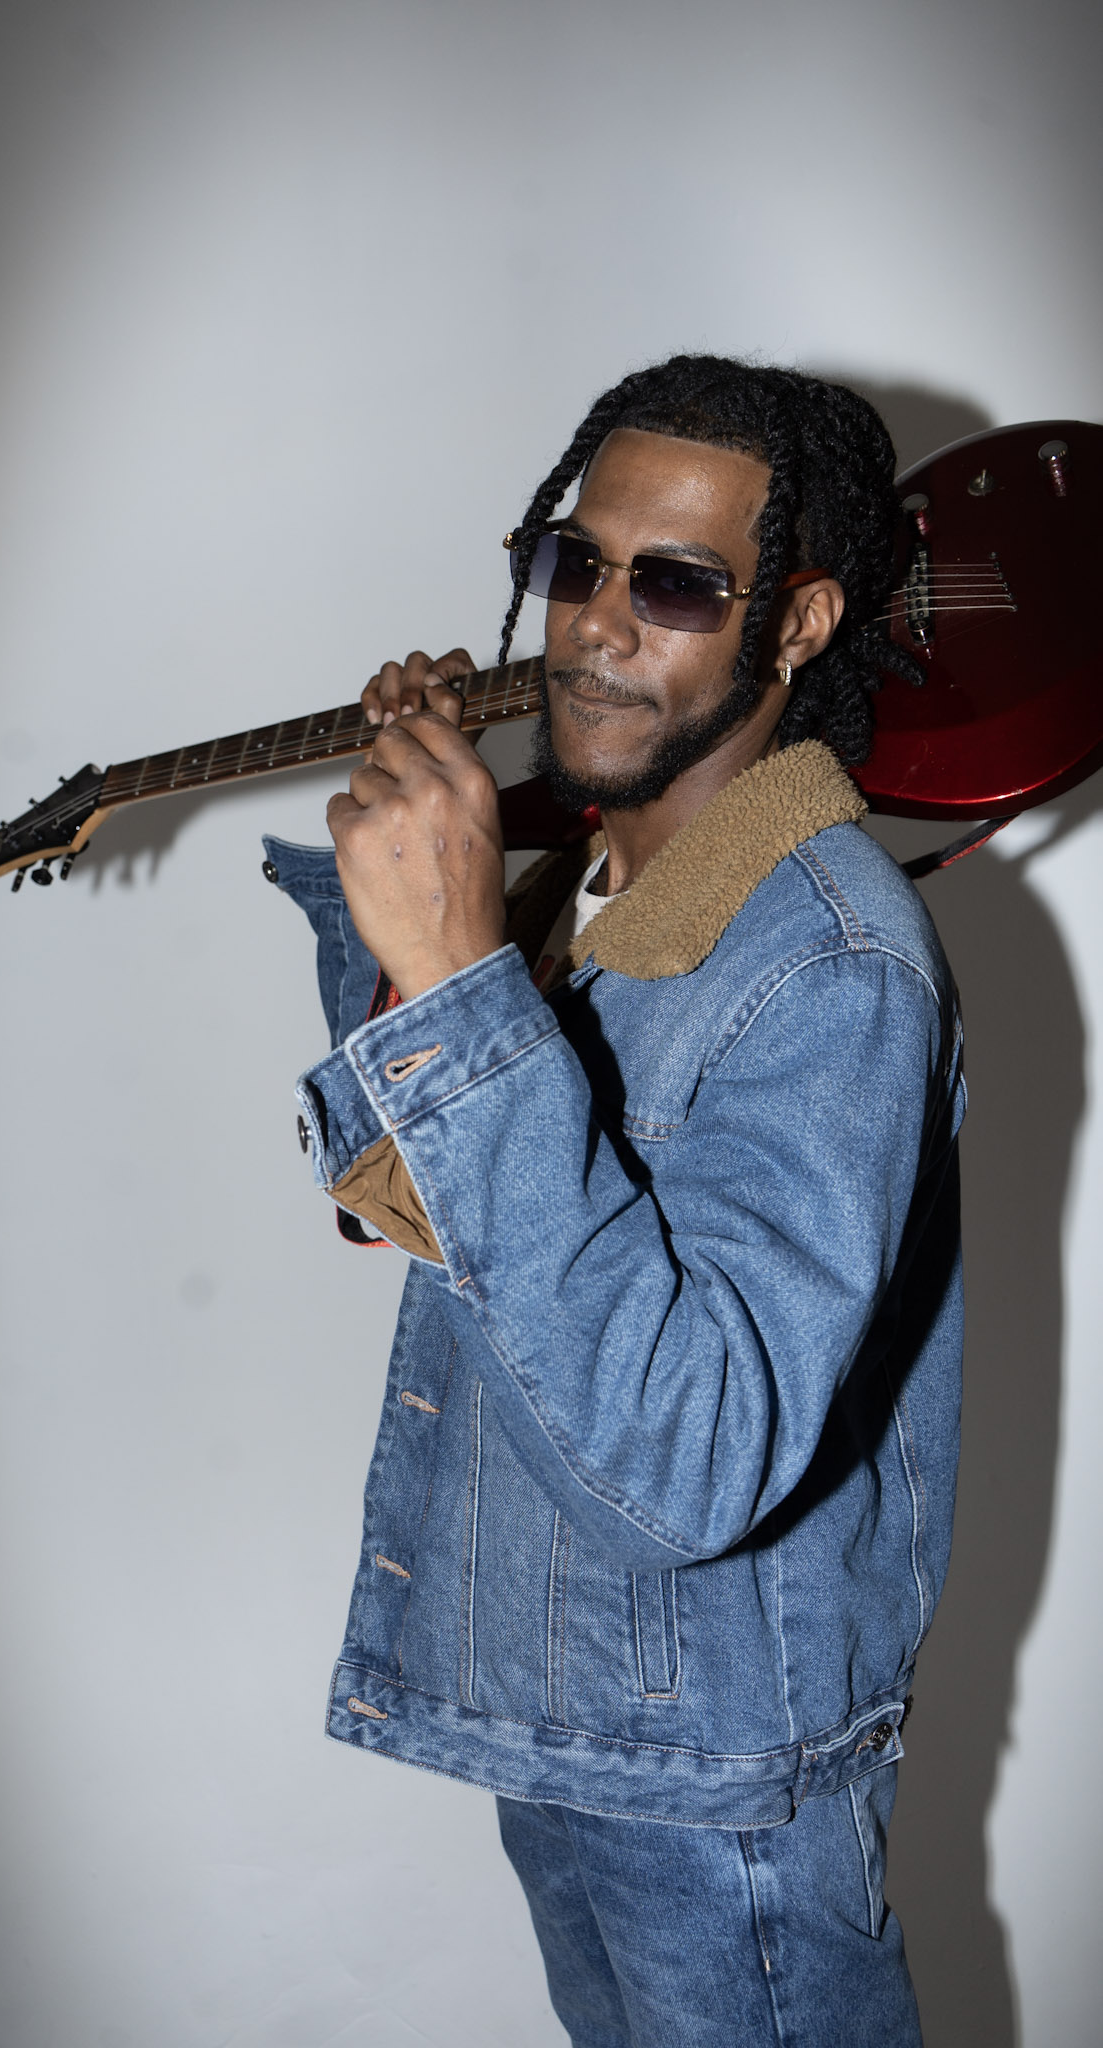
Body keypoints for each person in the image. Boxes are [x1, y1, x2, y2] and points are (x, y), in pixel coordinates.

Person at [264, 355, 962, 2047]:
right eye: (573, 562)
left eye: (674, 585)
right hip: (577, 1719)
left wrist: (458, 982)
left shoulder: (832, 962)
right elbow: (417, 1207)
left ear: (796, 625)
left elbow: (693, 1450)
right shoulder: (583, 895)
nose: (593, 623)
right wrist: (418, 932)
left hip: (719, 1777)